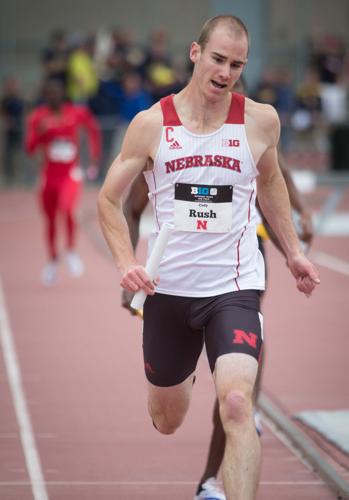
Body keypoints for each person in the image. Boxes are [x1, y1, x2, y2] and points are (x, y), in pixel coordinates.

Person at [97, 15, 320, 500]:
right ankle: (186, 368)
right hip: (169, 290)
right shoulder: (151, 125)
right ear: (196, 54)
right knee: (167, 420)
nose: (226, 72)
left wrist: (293, 253)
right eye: (218, 59)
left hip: (234, 287)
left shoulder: (260, 120)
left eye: (236, 64)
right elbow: (110, 200)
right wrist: (124, 265)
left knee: (238, 404)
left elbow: (272, 184)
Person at [25, 78, 101, 285]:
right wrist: (39, 133)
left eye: (56, 93)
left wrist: (94, 157)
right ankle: (52, 260)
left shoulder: (75, 113)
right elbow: (30, 148)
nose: (53, 97)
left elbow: (93, 129)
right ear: (45, 96)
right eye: (49, 94)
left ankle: (70, 251)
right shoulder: (38, 117)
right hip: (49, 175)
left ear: (62, 94)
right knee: (50, 219)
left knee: (67, 209)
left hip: (70, 174)